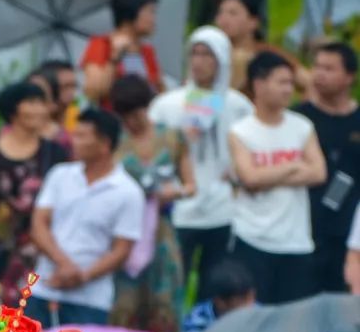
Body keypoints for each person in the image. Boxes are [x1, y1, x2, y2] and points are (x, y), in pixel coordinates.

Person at [149, 26, 254, 297]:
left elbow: (250, 150)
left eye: (208, 54)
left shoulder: (238, 106)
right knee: (172, 284)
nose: (199, 61)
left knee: (215, 285)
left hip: (223, 209)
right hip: (180, 208)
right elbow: (152, 151)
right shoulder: (168, 104)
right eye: (194, 53)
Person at [28, 108, 146, 327]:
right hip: (44, 288)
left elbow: (122, 249)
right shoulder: (60, 175)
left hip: (91, 300)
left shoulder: (128, 192)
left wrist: (82, 276)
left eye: (82, 136)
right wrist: (64, 264)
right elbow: (39, 224)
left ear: (105, 144)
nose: (74, 141)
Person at [228, 51, 327, 304]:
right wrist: (294, 165)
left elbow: (318, 173)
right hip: (253, 237)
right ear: (259, 85)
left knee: (292, 319)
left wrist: (267, 177)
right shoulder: (241, 131)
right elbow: (249, 178)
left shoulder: (302, 126)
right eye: (281, 82)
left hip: (296, 242)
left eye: (290, 84)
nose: (288, 90)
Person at [0, 81, 68, 306]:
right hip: (1, 251)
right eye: (31, 102)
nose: (40, 109)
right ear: (13, 109)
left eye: (42, 102)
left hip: (45, 250)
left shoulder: (56, 153)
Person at [110, 74, 193, 332]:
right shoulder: (115, 142)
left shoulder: (172, 137)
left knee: (164, 302)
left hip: (161, 227)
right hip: (125, 229)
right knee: (124, 303)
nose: (132, 122)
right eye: (126, 116)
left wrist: (174, 192)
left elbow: (191, 185)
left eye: (136, 114)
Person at [295, 42, 360, 295]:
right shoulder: (298, 119)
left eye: (329, 68)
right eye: (317, 67)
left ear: (349, 77)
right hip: (304, 230)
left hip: (350, 235)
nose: (319, 74)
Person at [215, 0, 309, 96]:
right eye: (220, 13)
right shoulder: (209, 53)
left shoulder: (267, 54)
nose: (223, 19)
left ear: (253, 22)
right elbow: (197, 93)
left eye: (233, 13)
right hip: (212, 109)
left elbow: (309, 83)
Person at [81, 0, 162, 106]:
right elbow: (93, 92)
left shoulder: (147, 52)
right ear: (132, 11)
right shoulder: (102, 44)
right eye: (150, 12)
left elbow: (160, 91)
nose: (153, 19)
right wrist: (114, 59)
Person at [34, 60, 80, 141]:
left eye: (74, 86)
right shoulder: (28, 125)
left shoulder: (77, 115)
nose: (72, 92)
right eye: (65, 87)